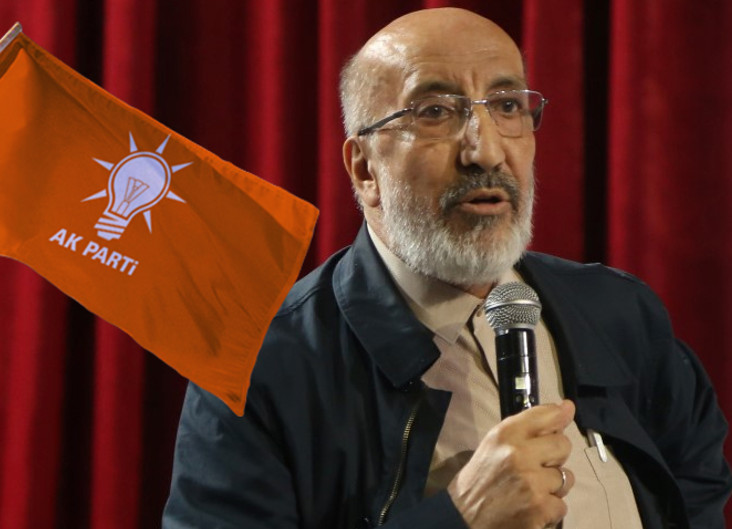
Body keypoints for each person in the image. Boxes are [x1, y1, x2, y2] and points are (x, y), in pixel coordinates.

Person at [162, 8, 732, 529]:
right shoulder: (260, 371)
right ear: (364, 168)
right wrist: (461, 517)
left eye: (507, 106)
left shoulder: (620, 313)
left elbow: (696, 490)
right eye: (434, 112)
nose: (485, 151)